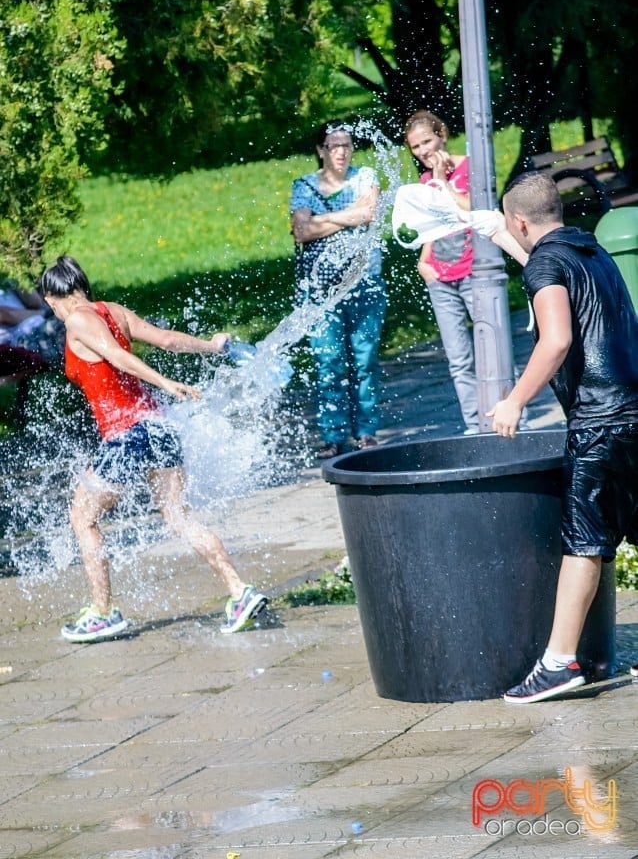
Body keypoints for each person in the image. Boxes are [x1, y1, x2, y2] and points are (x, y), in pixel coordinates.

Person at [40, 255, 269, 643]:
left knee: (82, 518)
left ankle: (102, 613)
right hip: (159, 427)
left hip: (128, 433)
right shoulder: (112, 310)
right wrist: (212, 347)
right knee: (177, 516)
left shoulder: (77, 320)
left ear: (52, 298)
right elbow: (165, 339)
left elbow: (116, 356)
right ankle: (239, 591)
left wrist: (165, 383)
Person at [486, 172, 638, 703]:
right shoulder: (589, 249)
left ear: (521, 219)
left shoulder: (547, 263)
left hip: (598, 422)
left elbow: (556, 340)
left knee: (584, 541)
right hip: (634, 412)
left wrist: (514, 400)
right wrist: (501, 239)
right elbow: (553, 274)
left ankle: (557, 664)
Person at [290, 120, 387, 459]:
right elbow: (301, 231)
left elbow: (369, 213)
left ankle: (366, 432)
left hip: (365, 283)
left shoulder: (366, 177)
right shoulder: (303, 185)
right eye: (334, 145)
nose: (342, 151)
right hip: (320, 291)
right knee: (329, 361)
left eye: (347, 144)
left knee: (364, 360)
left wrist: (322, 221)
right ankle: (333, 434)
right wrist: (350, 215)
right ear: (321, 151)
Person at [403, 110, 479, 435]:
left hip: (475, 272)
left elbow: (473, 209)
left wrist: (443, 180)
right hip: (440, 277)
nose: (422, 150)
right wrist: (424, 262)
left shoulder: (471, 166)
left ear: (442, 134)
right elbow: (432, 227)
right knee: (459, 360)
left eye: (426, 141)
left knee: (492, 349)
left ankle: (513, 417)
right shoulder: (425, 181)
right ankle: (476, 426)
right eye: (415, 147)